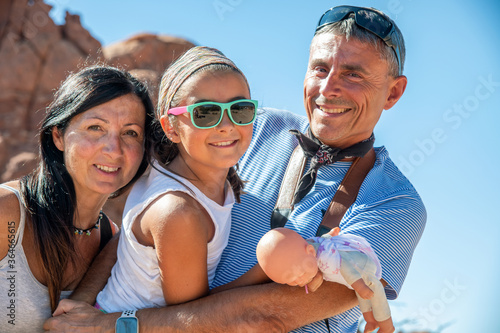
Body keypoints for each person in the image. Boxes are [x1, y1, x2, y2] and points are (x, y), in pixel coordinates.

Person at [45, 5, 426, 333]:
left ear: (393, 92)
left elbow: (264, 318)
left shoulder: (395, 203)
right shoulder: (248, 128)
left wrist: (111, 325)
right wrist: (82, 303)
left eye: (353, 74)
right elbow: (139, 227)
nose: (328, 88)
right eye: (320, 68)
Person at [93, 46, 256, 313]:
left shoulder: (170, 171)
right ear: (171, 127)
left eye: (240, 109)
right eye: (206, 113)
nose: (226, 125)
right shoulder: (178, 212)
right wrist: (268, 272)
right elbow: (193, 319)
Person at [0, 64, 155, 332]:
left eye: (130, 132)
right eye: (95, 127)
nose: (114, 149)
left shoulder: (115, 242)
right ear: (58, 136)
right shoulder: (6, 212)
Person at [254, 227, 394, 333]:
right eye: (290, 281)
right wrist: (332, 233)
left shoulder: (326, 257)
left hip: (360, 267)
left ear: (311, 252)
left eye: (301, 273)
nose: (300, 280)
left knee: (375, 294)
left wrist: (359, 285)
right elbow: (323, 238)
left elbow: (344, 265)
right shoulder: (307, 250)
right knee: (361, 298)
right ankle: (370, 321)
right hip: (349, 277)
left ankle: (387, 326)